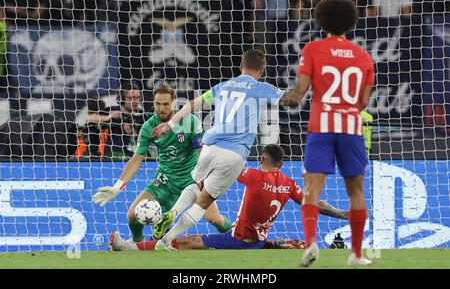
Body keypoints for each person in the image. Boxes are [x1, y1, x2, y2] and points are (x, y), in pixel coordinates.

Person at [150, 49, 304, 251]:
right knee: (204, 201)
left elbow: (192, 105)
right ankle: (166, 240)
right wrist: (305, 80)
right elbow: (291, 100)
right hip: (234, 153)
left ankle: (173, 211)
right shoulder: (261, 87)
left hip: (210, 145)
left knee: (197, 186)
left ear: (241, 67)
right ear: (262, 70)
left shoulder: (223, 86)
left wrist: (169, 124)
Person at [109, 144, 348, 251]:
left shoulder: (252, 175)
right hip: (256, 238)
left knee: (186, 242)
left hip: (240, 239)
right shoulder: (289, 184)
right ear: (282, 164)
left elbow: (228, 171)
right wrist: (340, 213)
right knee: (273, 243)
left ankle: (128, 247)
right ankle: (329, 248)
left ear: (262, 160)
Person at [293, 0, 375, 267]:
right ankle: (357, 254)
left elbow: (300, 92)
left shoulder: (314, 49)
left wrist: (284, 98)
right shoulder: (363, 57)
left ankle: (311, 243)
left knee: (312, 189)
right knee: (356, 192)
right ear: (352, 22)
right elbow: (362, 102)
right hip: (351, 128)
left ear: (322, 19)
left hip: (321, 127)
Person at [92, 84, 231, 242]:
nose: (161, 108)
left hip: (192, 179)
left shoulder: (190, 121)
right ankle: (137, 242)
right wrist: (117, 187)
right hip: (165, 179)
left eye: (165, 104)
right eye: (158, 104)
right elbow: (136, 159)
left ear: (173, 103)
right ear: (153, 103)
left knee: (215, 219)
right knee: (132, 215)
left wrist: (205, 180)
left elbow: (201, 153)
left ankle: (237, 235)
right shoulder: (149, 127)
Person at [85, 81, 145, 159]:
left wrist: (133, 132)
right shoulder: (112, 110)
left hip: (134, 157)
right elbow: (89, 118)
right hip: (111, 157)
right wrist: (108, 117)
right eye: (131, 98)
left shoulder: (142, 115)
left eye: (137, 98)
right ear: (121, 98)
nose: (135, 101)